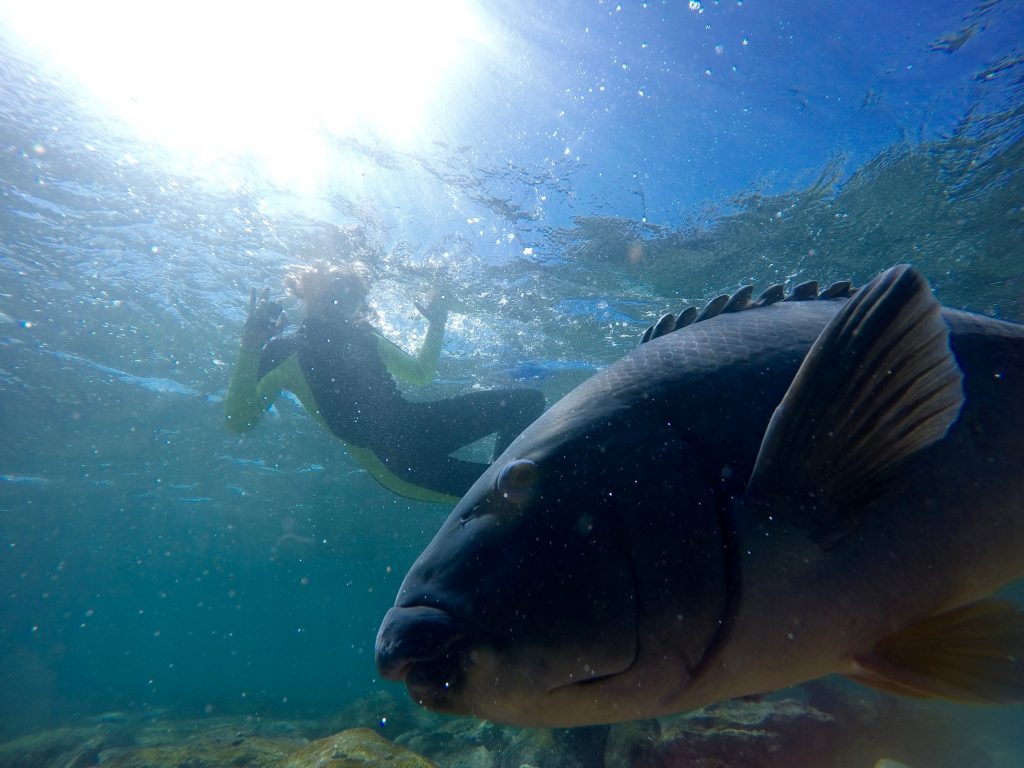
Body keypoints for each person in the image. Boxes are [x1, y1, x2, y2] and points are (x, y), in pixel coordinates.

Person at [225, 261, 545, 503]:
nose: (340, 299)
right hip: (395, 462)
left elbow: (421, 374)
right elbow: (239, 422)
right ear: (306, 293)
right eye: (332, 290)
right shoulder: (284, 350)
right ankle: (501, 503)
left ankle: (502, 490)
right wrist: (250, 347)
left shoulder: (366, 339)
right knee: (520, 496)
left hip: (418, 427)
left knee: (526, 405)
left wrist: (437, 323)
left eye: (348, 293)